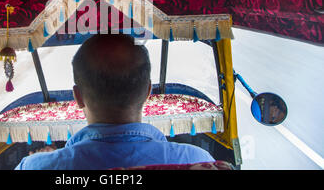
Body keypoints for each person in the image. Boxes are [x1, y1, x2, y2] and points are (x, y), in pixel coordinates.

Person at [15, 34, 214, 170]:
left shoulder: (34, 166)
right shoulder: (197, 161)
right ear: (147, 92)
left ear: (78, 97)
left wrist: (52, 157)